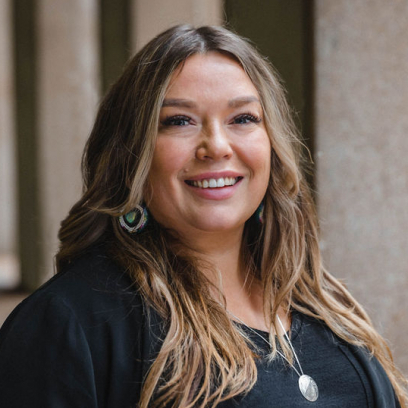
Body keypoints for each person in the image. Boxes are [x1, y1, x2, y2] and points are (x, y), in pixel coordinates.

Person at [0, 24, 406, 408]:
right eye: (179, 121)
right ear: (131, 156)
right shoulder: (69, 325)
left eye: (242, 119)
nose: (216, 146)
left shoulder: (324, 306)